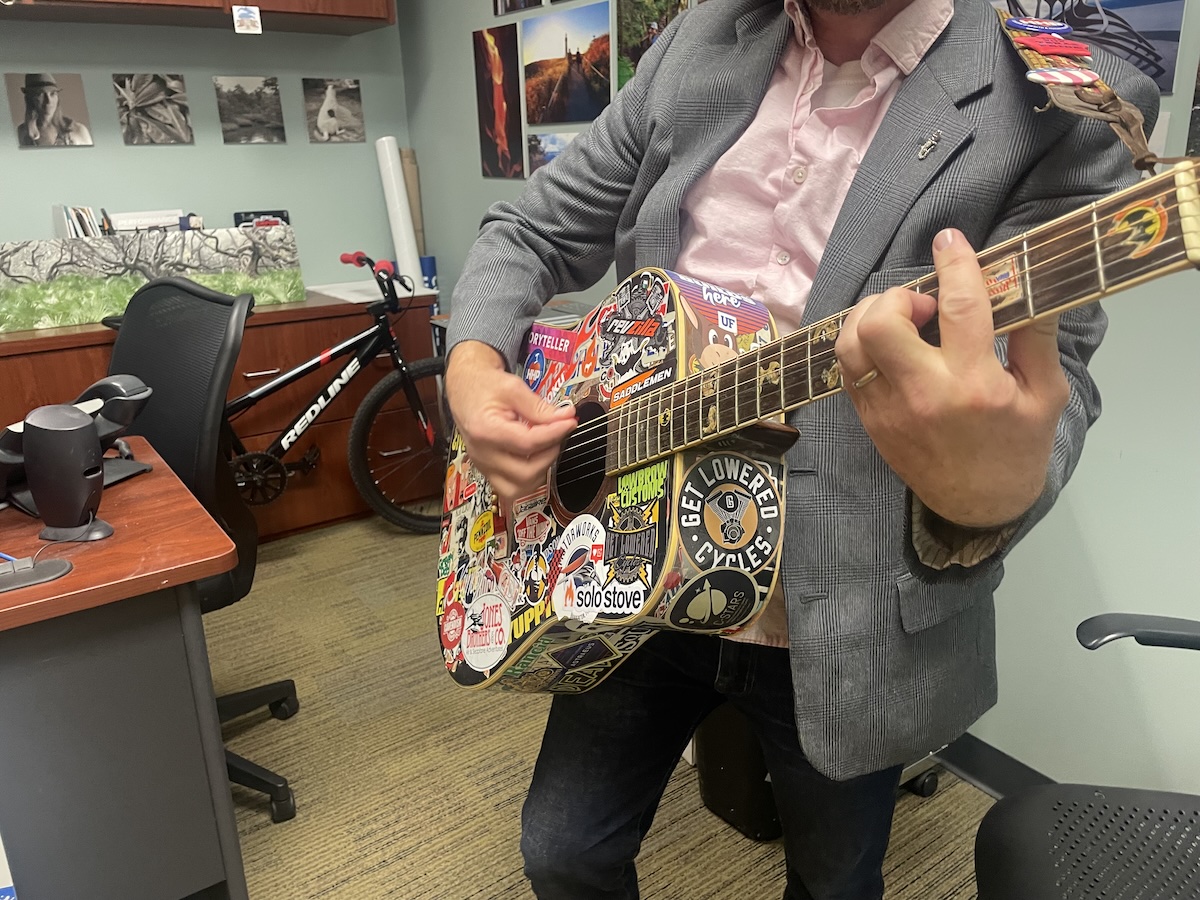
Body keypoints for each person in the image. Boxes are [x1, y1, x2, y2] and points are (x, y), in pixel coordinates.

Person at [444, 0, 1158, 896]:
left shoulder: (1062, 97)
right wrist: (472, 368)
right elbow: (530, 231)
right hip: (629, 557)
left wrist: (992, 491)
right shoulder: (695, 41)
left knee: (835, 882)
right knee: (564, 851)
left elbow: (1056, 385)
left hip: (847, 609)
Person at [16, 73, 92, 147]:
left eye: (53, 93)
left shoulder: (78, 131)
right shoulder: (21, 134)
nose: (48, 101)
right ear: (30, 99)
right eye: (40, 94)